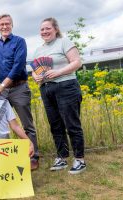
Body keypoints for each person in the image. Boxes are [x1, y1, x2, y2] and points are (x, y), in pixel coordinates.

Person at [32, 17, 86, 174]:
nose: (44, 31)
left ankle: (79, 159)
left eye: (48, 28)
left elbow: (77, 62)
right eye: (42, 29)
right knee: (55, 125)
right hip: (46, 89)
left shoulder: (64, 42)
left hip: (66, 86)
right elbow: (36, 70)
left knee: (71, 124)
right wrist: (36, 77)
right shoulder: (38, 50)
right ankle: (62, 157)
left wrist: (58, 72)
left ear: (55, 29)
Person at [0, 13, 39, 170]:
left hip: (19, 88)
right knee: (1, 124)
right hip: (2, 91)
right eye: (1, 24)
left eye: (7, 24)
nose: (4, 26)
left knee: (26, 124)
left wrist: (2, 85)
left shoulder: (20, 41)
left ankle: (33, 156)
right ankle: (6, 156)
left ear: (12, 25)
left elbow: (18, 66)